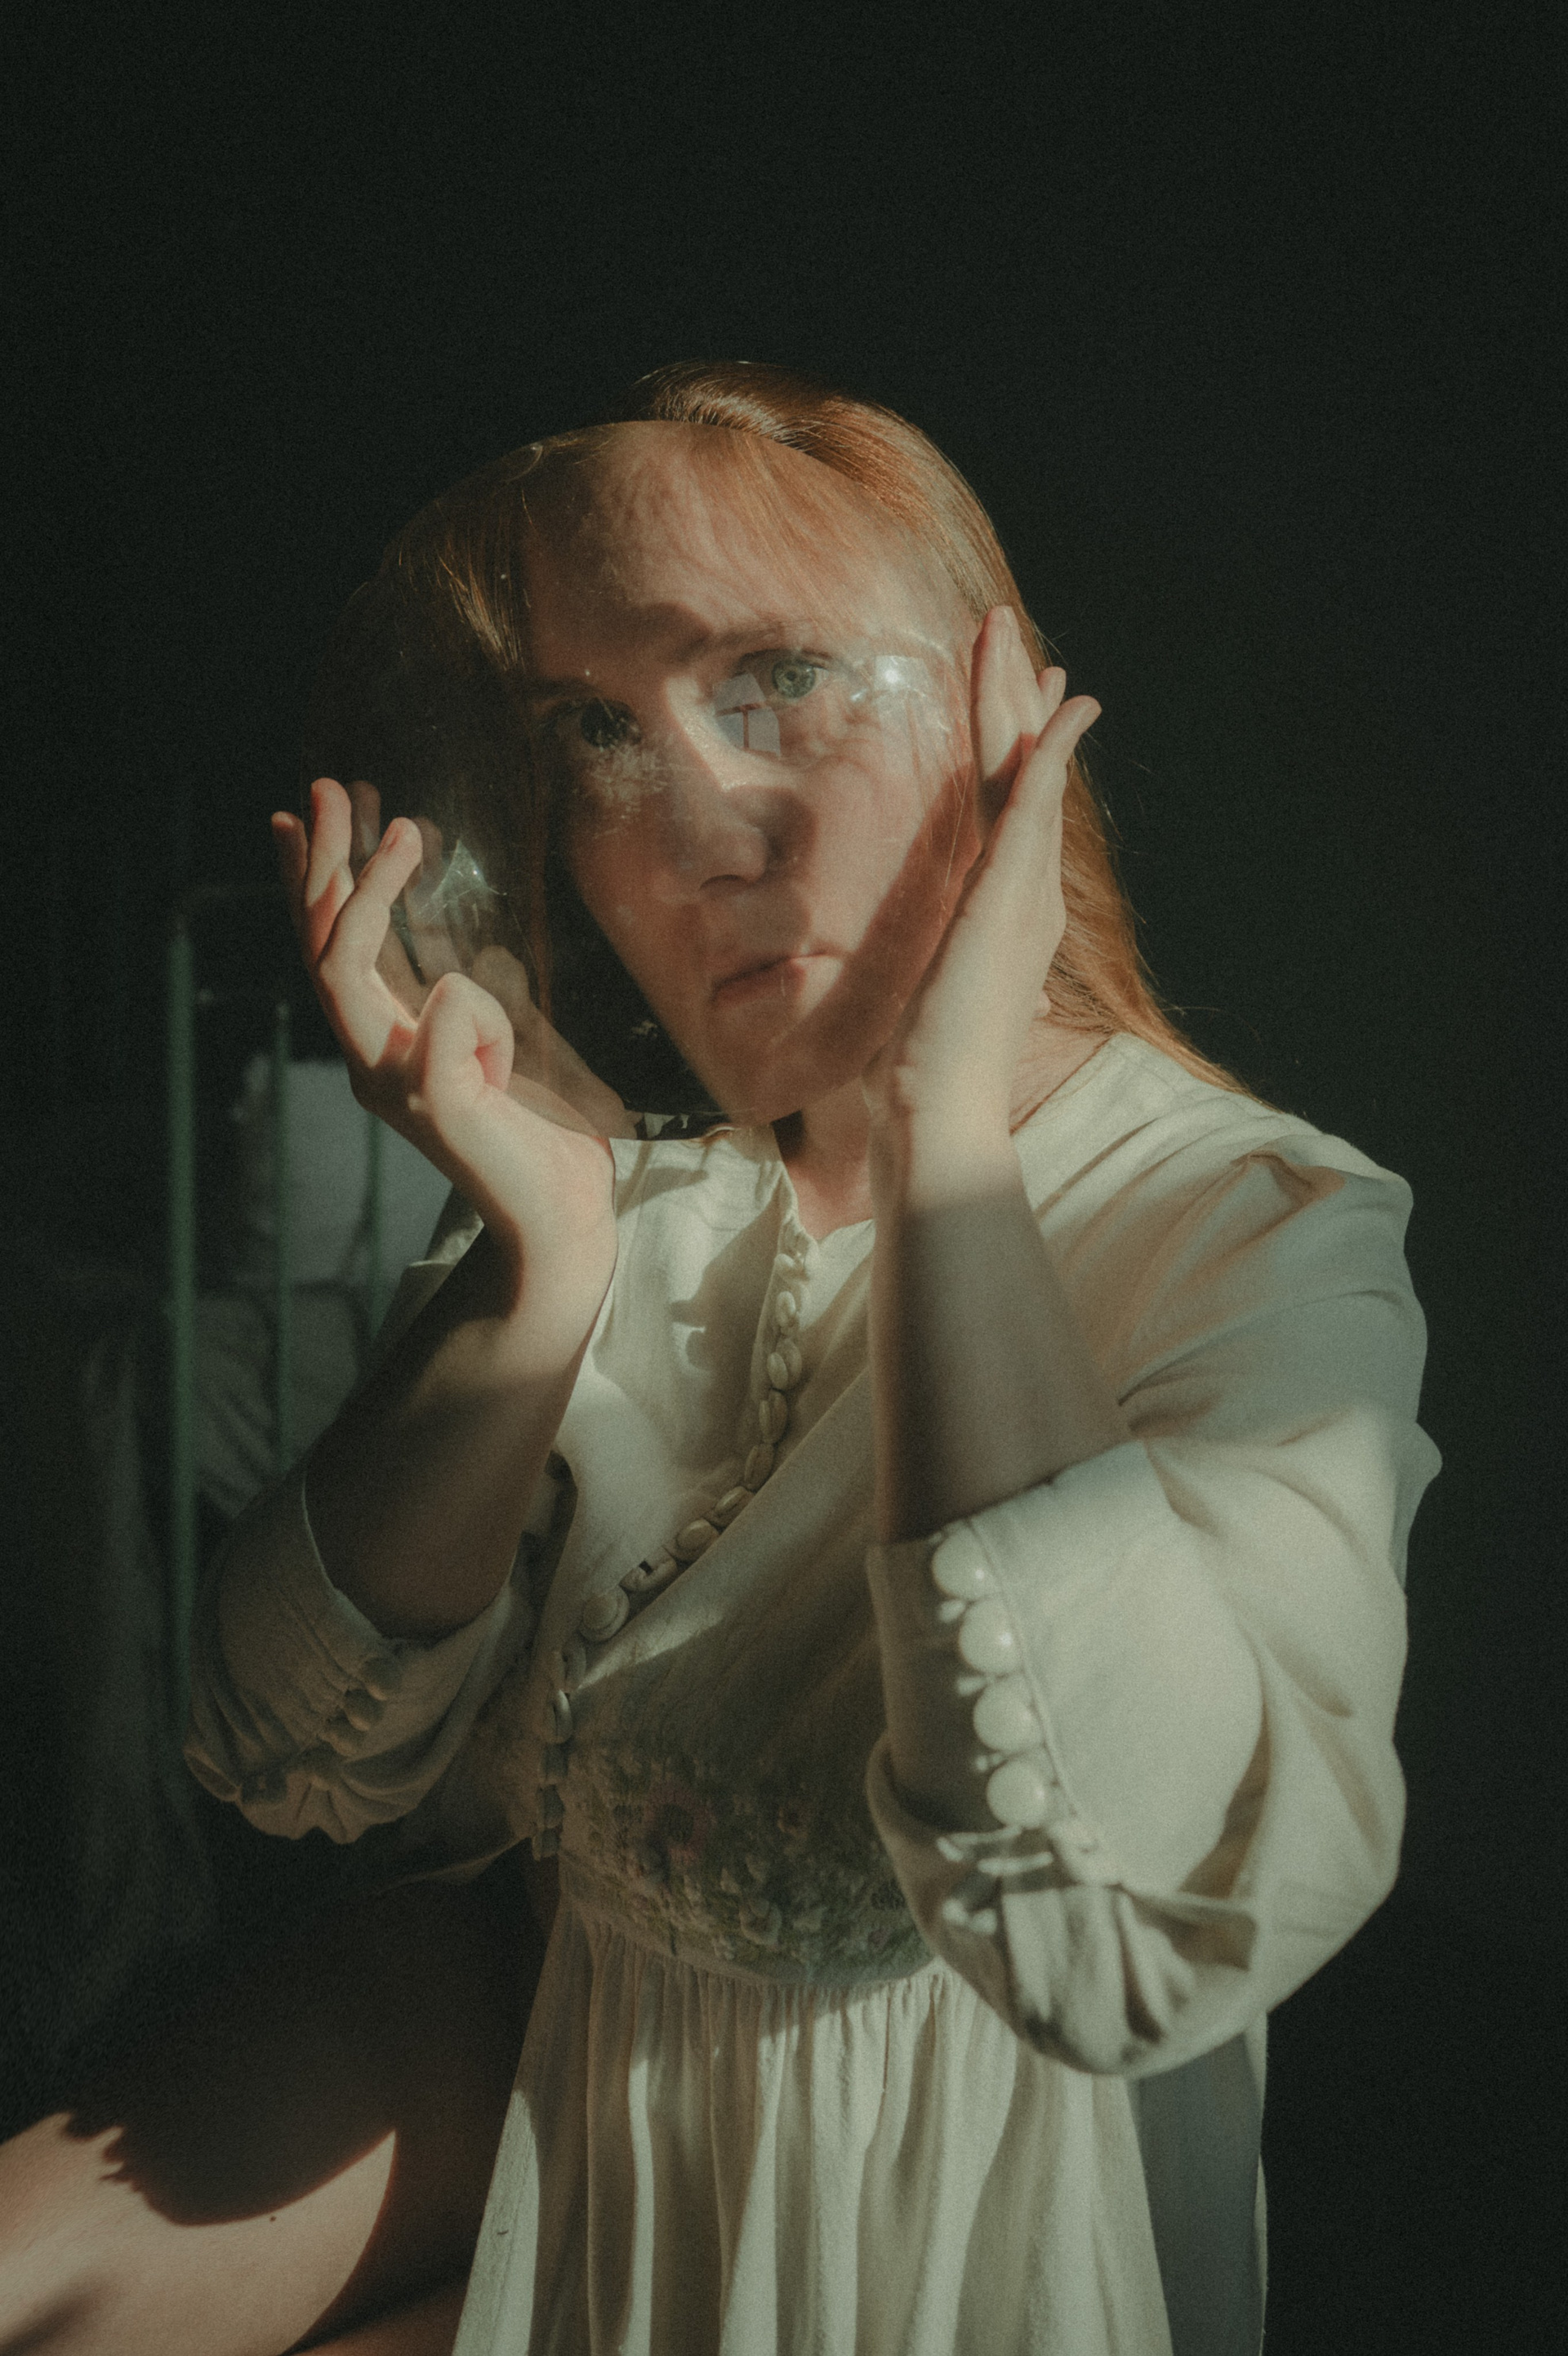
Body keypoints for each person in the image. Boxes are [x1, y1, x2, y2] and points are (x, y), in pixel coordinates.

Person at [0, 364, 1439, 2356]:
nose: (688, 829)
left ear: (1001, 723)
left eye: (779, 683)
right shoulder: (642, 1200)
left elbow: (1119, 1940)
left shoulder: (1252, 1234)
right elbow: (277, 1751)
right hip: (577, 2156)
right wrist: (545, 1264)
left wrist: (945, 1134)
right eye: (595, 735)